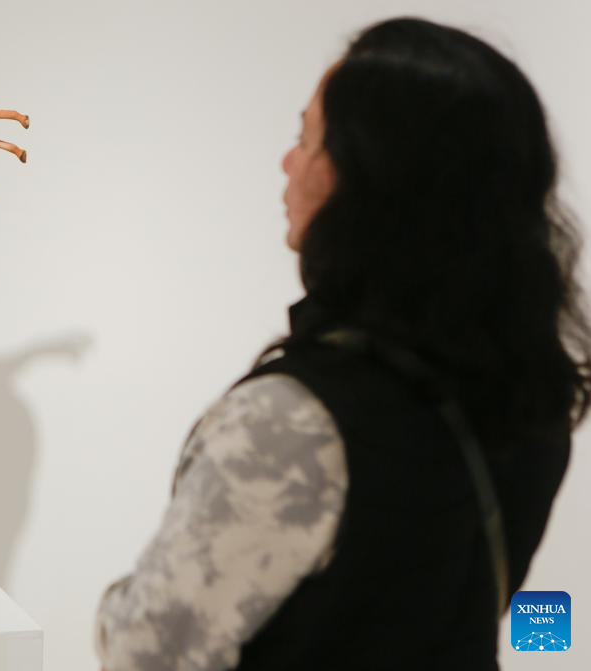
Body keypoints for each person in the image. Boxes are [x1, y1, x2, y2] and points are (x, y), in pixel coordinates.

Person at [93, 15, 591, 671]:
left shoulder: (293, 422)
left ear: (370, 181)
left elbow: (147, 651)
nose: (287, 161)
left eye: (307, 139)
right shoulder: (533, 398)